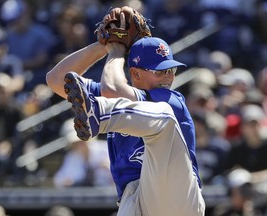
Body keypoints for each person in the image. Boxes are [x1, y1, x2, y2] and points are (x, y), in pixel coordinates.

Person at [46, 9, 205, 216]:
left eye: (171, 70)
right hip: (132, 200)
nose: (168, 77)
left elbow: (112, 90)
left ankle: (100, 114)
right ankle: (100, 114)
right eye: (160, 71)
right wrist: (103, 46)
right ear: (135, 73)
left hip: (173, 194)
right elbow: (56, 79)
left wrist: (116, 52)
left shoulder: (171, 99)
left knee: (165, 117)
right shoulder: (113, 93)